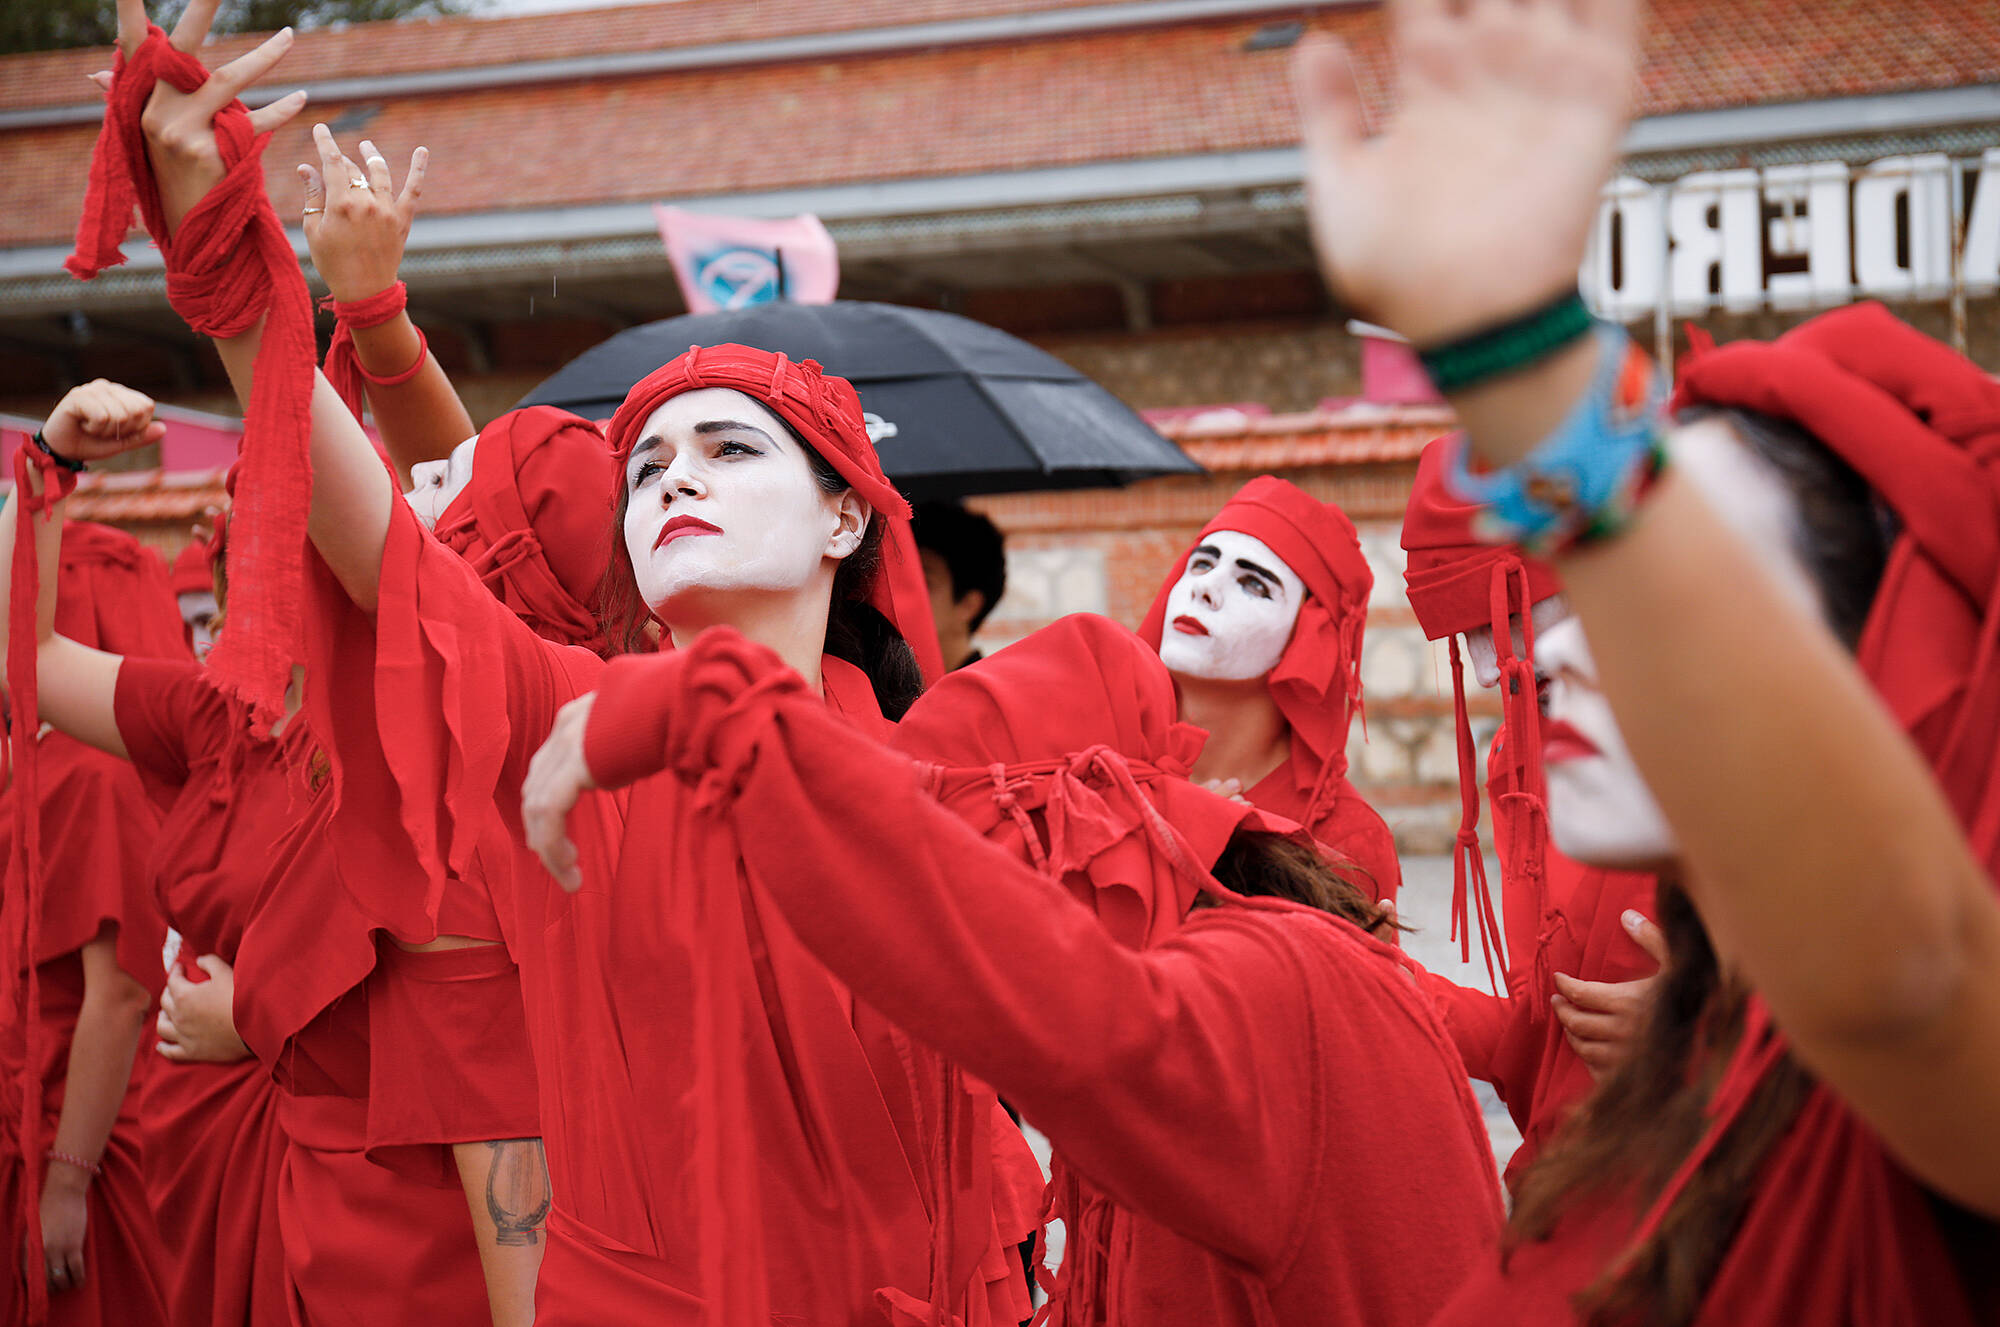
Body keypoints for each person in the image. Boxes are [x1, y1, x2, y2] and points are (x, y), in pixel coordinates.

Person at [76, 19, 1037, 1318]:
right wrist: (216, 231)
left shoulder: (963, 764)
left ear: (844, 517)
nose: (679, 472)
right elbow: (364, 523)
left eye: (730, 448)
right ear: (621, 554)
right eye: (647, 463)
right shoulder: (564, 729)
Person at [1292, 0, 2000, 1320]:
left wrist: (1521, 349)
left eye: (1682, 594)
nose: (1565, 644)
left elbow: (1904, 978)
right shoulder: (1678, 1094)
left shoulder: (1949, 1093)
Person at [521, 612, 1504, 1326]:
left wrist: (722, 711)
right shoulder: (1264, 962)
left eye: (987, 873)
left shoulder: (1266, 991)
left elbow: (1035, 994)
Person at [3, 383, 490, 1327]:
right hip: (202, 1146)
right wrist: (49, 469)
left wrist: (261, 1015)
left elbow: (472, 985)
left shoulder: (420, 723)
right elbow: (29, 654)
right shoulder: (210, 716)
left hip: (366, 1159)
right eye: (251, 552)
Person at [1400, 435, 1665, 1182]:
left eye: (1510, 607)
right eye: (1466, 636)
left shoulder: (1743, 717)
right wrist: (1380, 976)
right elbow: (1545, 1041)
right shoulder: (1522, 756)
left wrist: (1714, 1016)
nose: (1490, 665)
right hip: (1576, 1198)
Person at [1, 510, 177, 1327]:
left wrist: (68, 1177)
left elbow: (120, 996)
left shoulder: (94, 771)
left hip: (85, 1145)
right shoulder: (34, 758)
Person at [1137, 477, 1401, 902]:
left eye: (1253, 584)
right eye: (1202, 563)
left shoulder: (1346, 839)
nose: (1205, 587)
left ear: (1307, 639)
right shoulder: (1100, 770)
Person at [913, 501, 1007, 670]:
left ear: (969, 605)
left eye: (925, 583)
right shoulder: (889, 690)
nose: (906, 594)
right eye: (906, 579)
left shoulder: (987, 694)